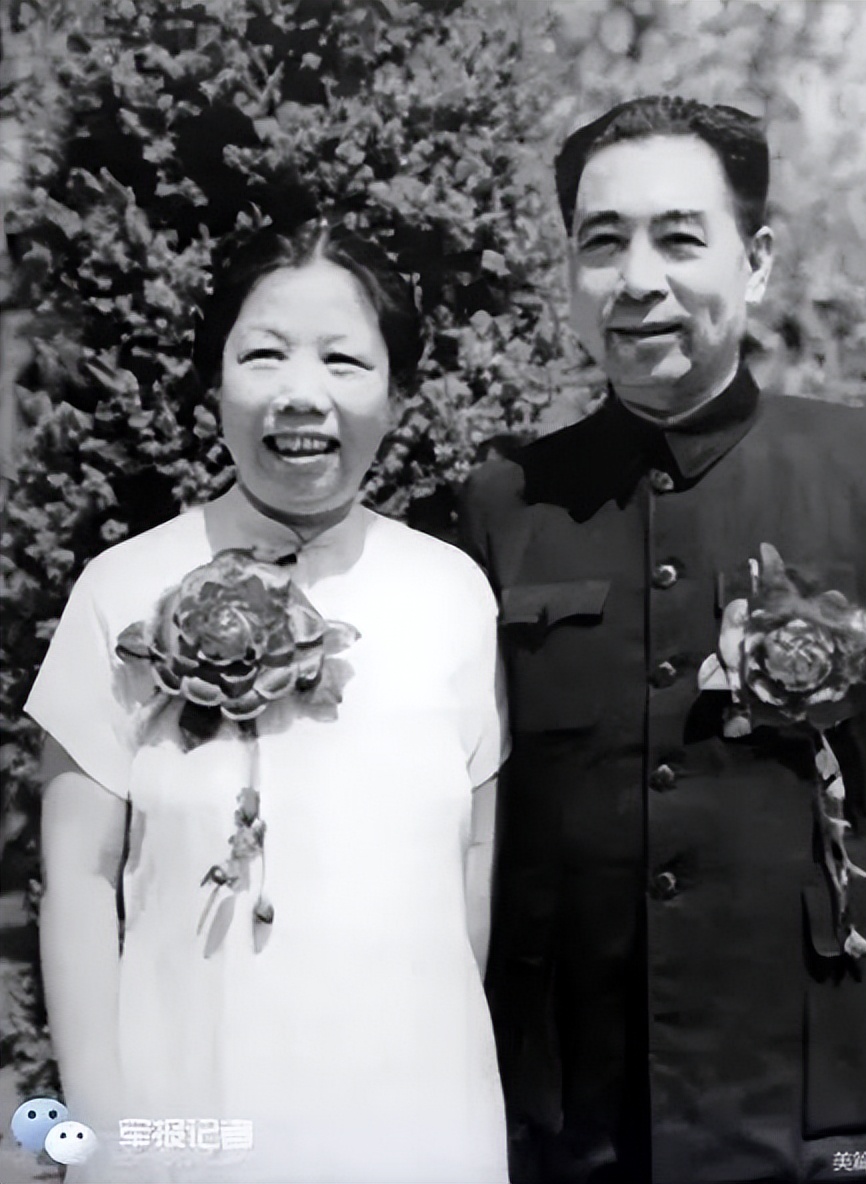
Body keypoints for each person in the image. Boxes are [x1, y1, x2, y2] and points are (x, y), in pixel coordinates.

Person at [460, 96, 866, 1184]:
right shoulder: (504, 504)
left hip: (818, 1116)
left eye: (678, 238)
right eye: (601, 242)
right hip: (573, 1123)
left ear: (755, 263)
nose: (637, 279)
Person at [27, 216, 509, 1183]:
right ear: (216, 383)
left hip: (417, 1131)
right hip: (190, 1121)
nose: (301, 392)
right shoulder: (122, 588)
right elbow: (76, 880)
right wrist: (100, 1136)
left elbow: (473, 864)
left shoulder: (453, 592)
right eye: (263, 354)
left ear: (396, 395)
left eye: (343, 359)